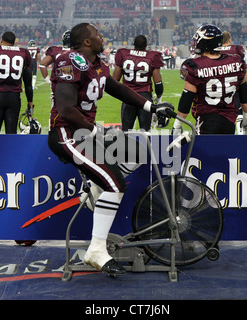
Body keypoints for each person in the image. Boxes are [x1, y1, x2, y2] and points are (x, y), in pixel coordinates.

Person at [47, 23, 174, 276]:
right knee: (115, 185)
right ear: (85, 42)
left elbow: (120, 89)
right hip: (68, 135)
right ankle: (96, 249)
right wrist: (95, 132)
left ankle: (95, 190)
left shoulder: (97, 64)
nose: (101, 36)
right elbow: (66, 109)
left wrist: (152, 107)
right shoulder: (68, 60)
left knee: (137, 152)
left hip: (85, 133)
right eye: (96, 34)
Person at [171, 25, 247, 136]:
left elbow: (186, 99)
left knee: (204, 152)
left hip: (206, 120)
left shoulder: (195, 66)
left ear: (205, 43)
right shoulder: (235, 61)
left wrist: (177, 125)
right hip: (229, 121)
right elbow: (243, 92)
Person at [113, 35, 164, 131]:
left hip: (128, 96)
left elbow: (115, 80)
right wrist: (159, 96)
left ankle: (126, 146)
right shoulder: (153, 56)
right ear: (146, 45)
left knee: (126, 132)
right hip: (144, 97)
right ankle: (144, 146)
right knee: (145, 131)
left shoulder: (123, 54)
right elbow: (158, 82)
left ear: (133, 44)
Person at [217, 31, 247, 135]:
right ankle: (241, 134)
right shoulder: (237, 49)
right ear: (229, 40)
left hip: (218, 87)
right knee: (238, 110)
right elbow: (243, 72)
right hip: (234, 85)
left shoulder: (214, 50)